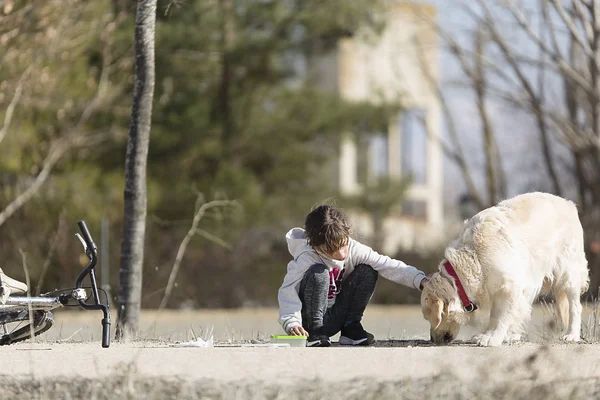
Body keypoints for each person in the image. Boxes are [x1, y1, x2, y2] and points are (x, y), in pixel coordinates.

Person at [277, 204, 428, 347]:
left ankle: (350, 328)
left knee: (368, 270)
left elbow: (387, 265)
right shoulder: (307, 256)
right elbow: (288, 290)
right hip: (310, 320)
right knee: (319, 273)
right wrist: (292, 322)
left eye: (343, 244)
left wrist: (421, 280)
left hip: (337, 315)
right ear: (316, 245)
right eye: (331, 249)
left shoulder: (354, 249)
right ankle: (315, 333)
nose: (342, 254)